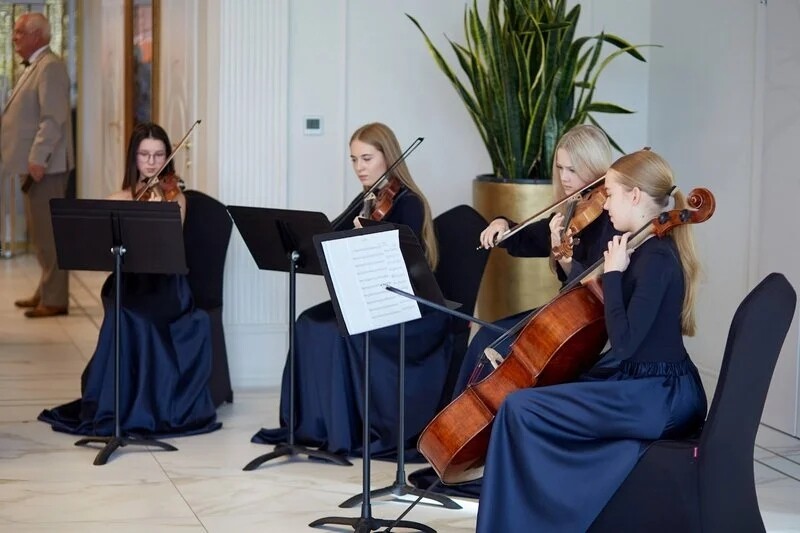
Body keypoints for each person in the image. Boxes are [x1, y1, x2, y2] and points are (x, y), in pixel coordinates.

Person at [476, 149, 708, 532]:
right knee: (542, 395)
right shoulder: (642, 245)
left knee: (520, 408)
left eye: (612, 194)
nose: (606, 204)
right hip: (643, 383)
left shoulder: (657, 259)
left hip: (658, 394)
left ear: (635, 196)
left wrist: (613, 276)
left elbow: (626, 343)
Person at [409, 124, 618, 498]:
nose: (566, 178)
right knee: (485, 338)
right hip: (563, 315)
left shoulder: (611, 216)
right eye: (561, 169)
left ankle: (477, 453)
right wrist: (503, 225)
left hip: (586, 326)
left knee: (495, 345)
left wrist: (566, 258)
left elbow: (592, 290)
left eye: (574, 169)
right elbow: (530, 235)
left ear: (596, 167)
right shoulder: (572, 210)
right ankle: (458, 446)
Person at [252, 122, 453, 459]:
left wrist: (368, 236)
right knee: (307, 322)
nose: (359, 167)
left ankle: (348, 431)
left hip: (405, 305)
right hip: (368, 299)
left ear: (387, 157)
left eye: (367, 158)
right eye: (354, 159)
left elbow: (398, 263)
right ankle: (314, 427)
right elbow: (330, 237)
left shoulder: (409, 202)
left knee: (339, 332)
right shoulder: (368, 199)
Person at [38, 123, 221, 437]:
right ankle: (117, 403)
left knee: (134, 315)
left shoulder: (174, 196)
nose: (151, 162)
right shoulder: (119, 196)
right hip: (128, 282)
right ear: (133, 158)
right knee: (122, 307)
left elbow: (171, 239)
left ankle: (142, 406)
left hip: (167, 287)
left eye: (159, 154)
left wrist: (158, 207)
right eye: (144, 154)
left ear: (168, 157)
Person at [2, 13, 73, 318]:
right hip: (34, 166)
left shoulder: (51, 67)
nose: (13, 38)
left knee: (49, 234)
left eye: (19, 33)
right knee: (39, 233)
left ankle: (55, 298)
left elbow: (53, 118)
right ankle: (46, 288)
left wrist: (38, 157)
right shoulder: (38, 66)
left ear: (37, 36)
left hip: (46, 166)